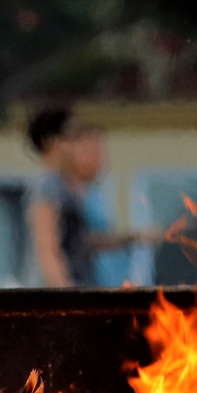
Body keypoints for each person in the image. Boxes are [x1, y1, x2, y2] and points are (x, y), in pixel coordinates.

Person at [26, 106, 136, 287]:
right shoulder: (47, 186)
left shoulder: (66, 186)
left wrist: (132, 238)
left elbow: (80, 241)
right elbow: (47, 247)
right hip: (59, 294)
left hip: (81, 286)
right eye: (70, 138)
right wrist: (66, 295)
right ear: (52, 142)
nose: (77, 145)